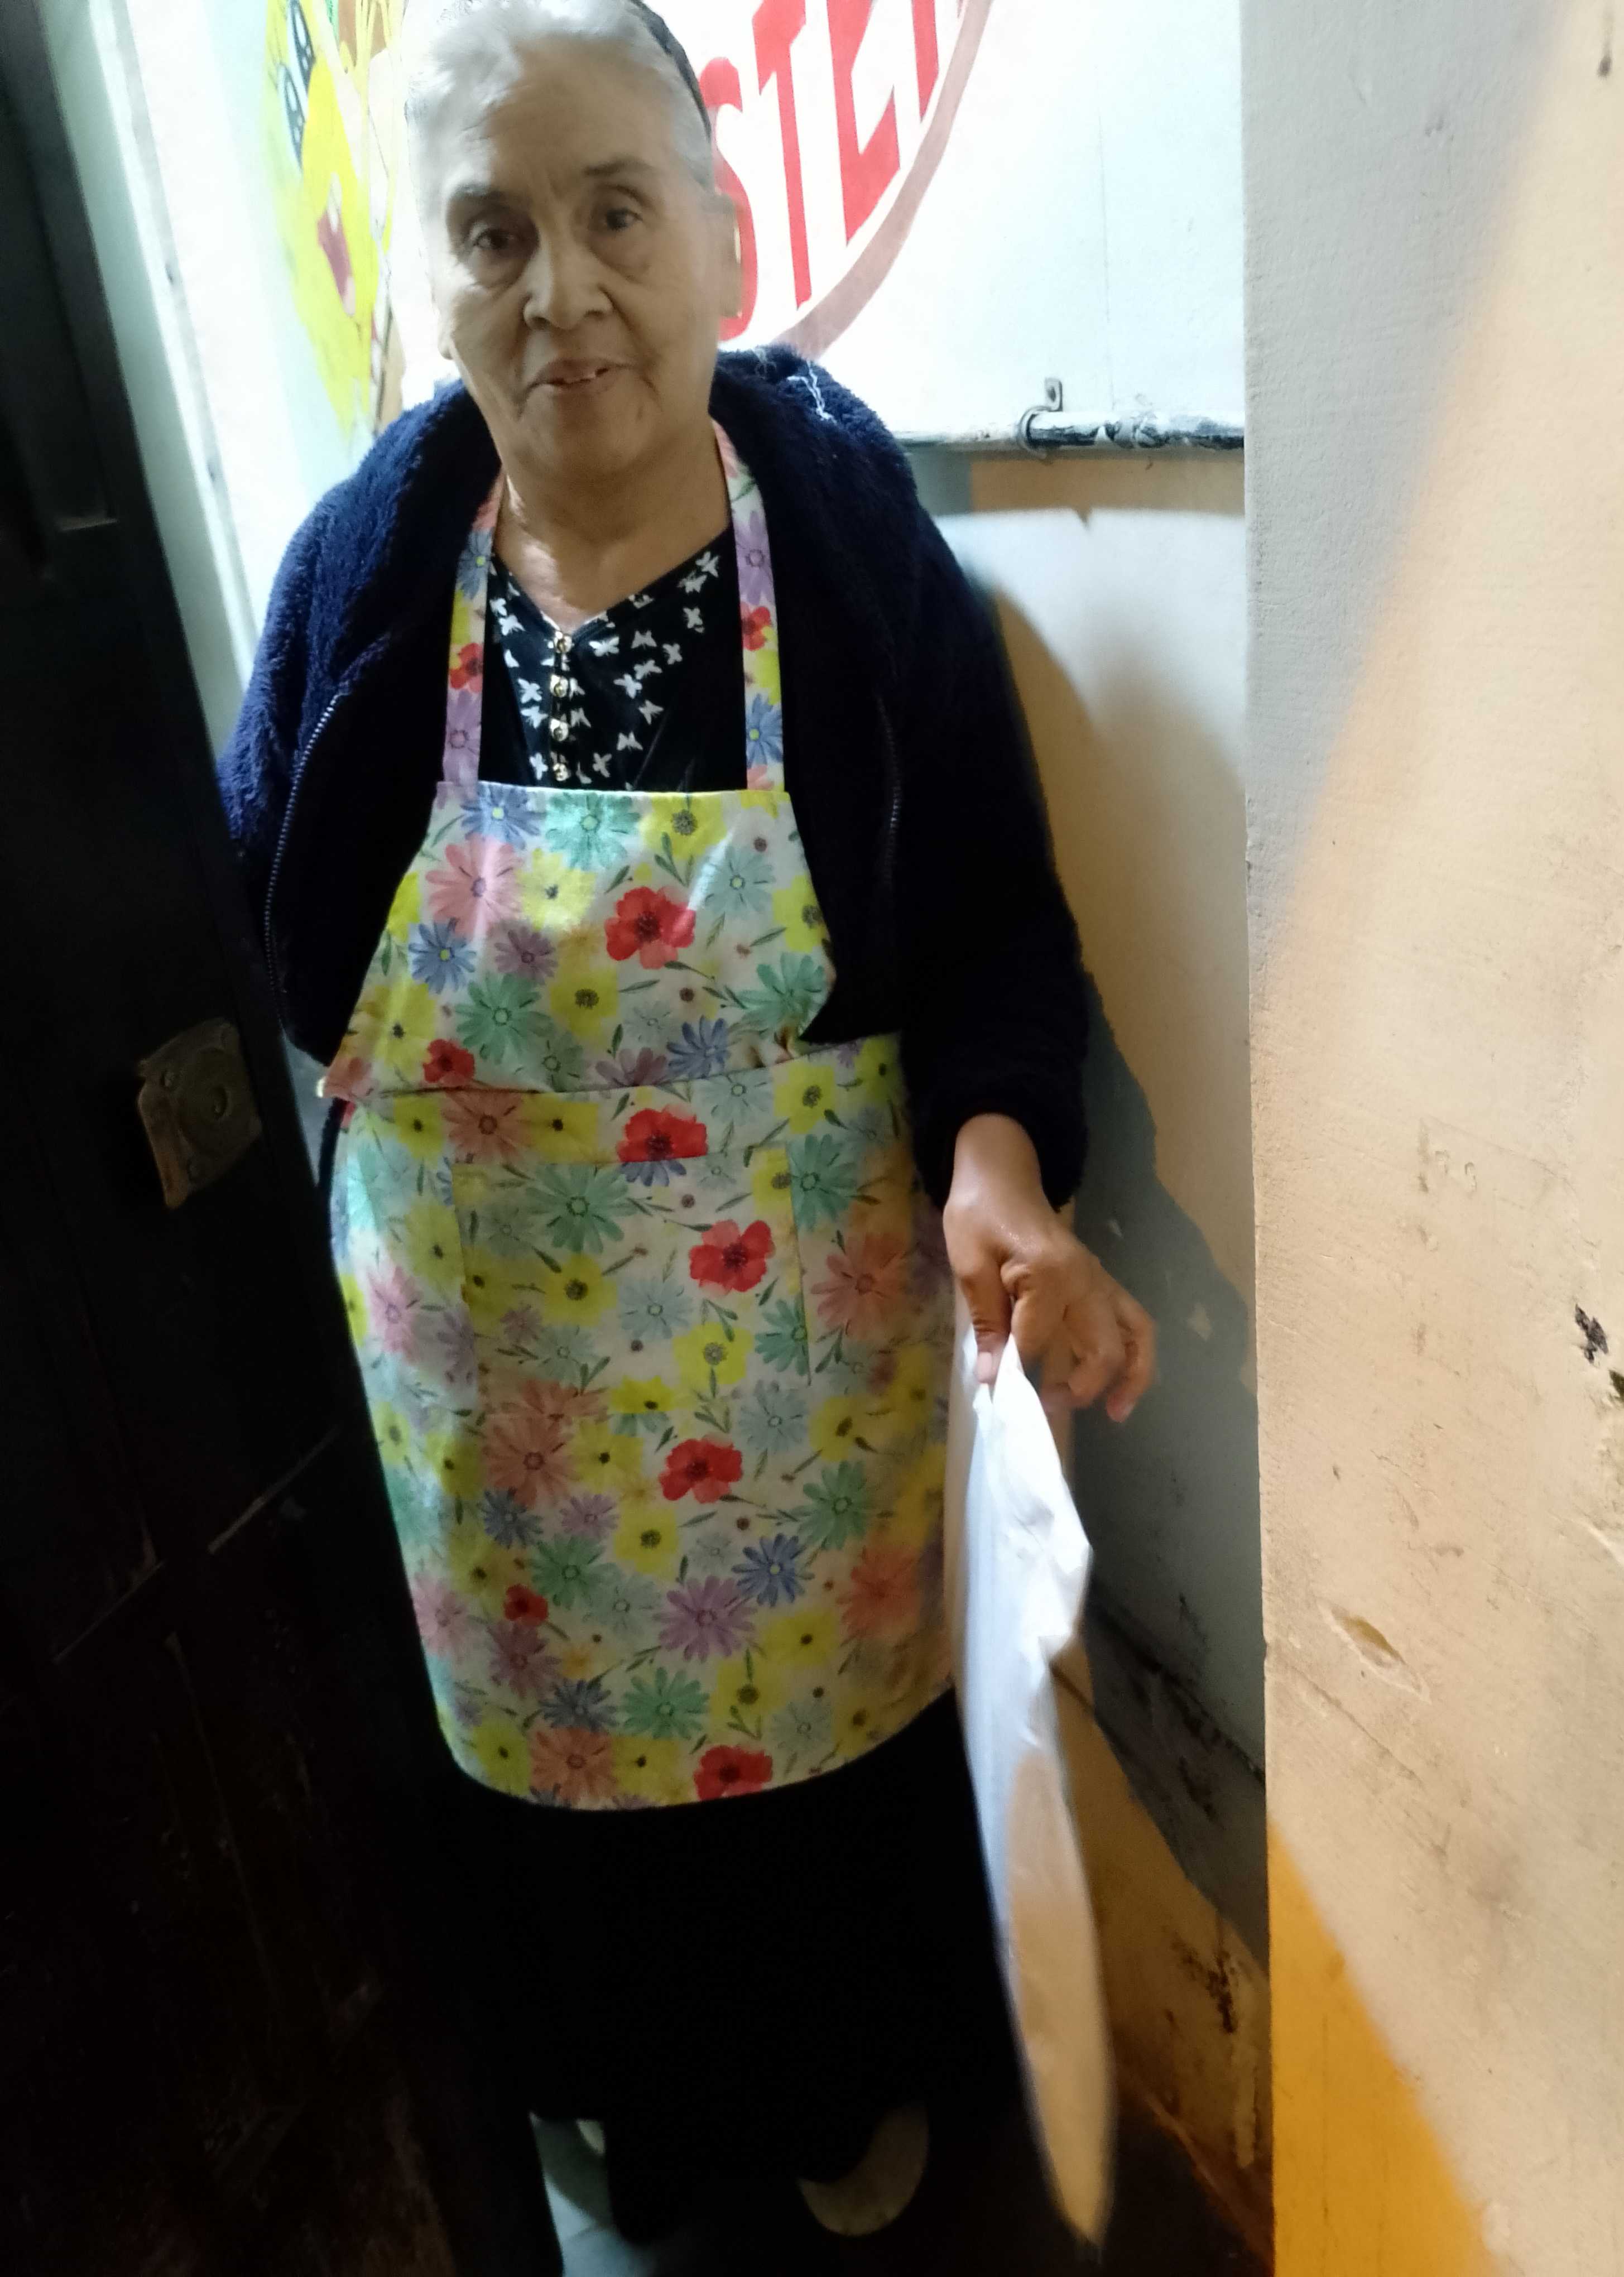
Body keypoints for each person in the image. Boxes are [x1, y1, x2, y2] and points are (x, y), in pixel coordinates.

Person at [220, 0, 1154, 2242]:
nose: (561, 289)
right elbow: (258, 934)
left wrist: (1003, 1172)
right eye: (494, 233)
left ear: (724, 234)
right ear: (434, 283)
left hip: (792, 1408)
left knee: (816, 1839)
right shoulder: (364, 584)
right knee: (563, 1862)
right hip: (494, 1430)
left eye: (615, 213)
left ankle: (833, 2098)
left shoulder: (838, 553)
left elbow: (991, 932)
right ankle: (631, 2112)